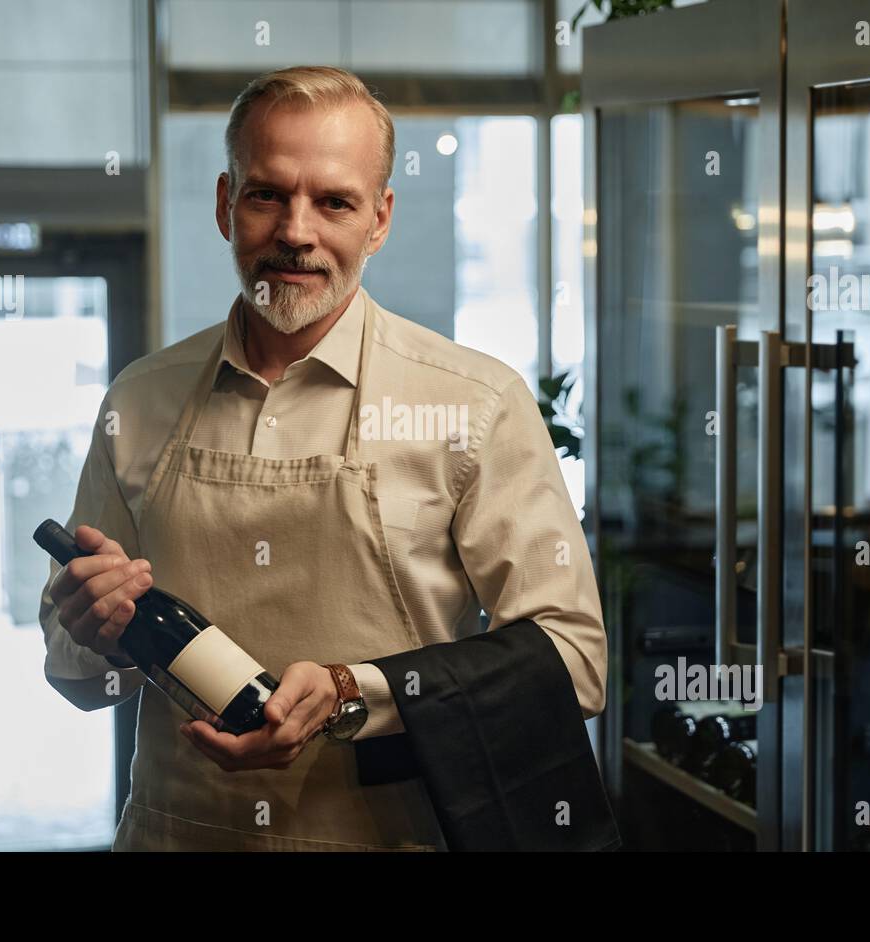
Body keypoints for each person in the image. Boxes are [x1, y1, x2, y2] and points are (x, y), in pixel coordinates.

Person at [38, 65, 611, 851]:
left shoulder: (476, 404)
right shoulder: (139, 400)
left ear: (379, 220)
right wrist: (95, 633)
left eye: (334, 202)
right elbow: (83, 684)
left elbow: (572, 663)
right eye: (267, 194)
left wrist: (352, 694)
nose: (296, 233)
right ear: (224, 205)